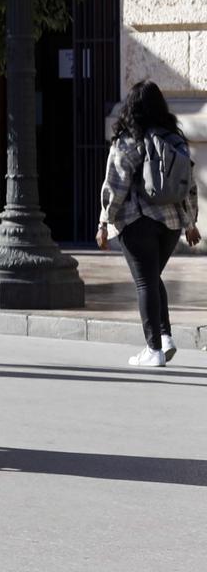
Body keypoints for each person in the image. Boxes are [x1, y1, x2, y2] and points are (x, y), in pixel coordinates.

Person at [97, 80, 200, 368]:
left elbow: (114, 187)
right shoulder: (175, 140)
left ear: (131, 109)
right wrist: (190, 223)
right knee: (152, 278)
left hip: (136, 221)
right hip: (170, 227)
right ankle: (165, 338)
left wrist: (104, 223)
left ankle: (153, 349)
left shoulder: (127, 142)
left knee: (145, 282)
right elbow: (189, 187)